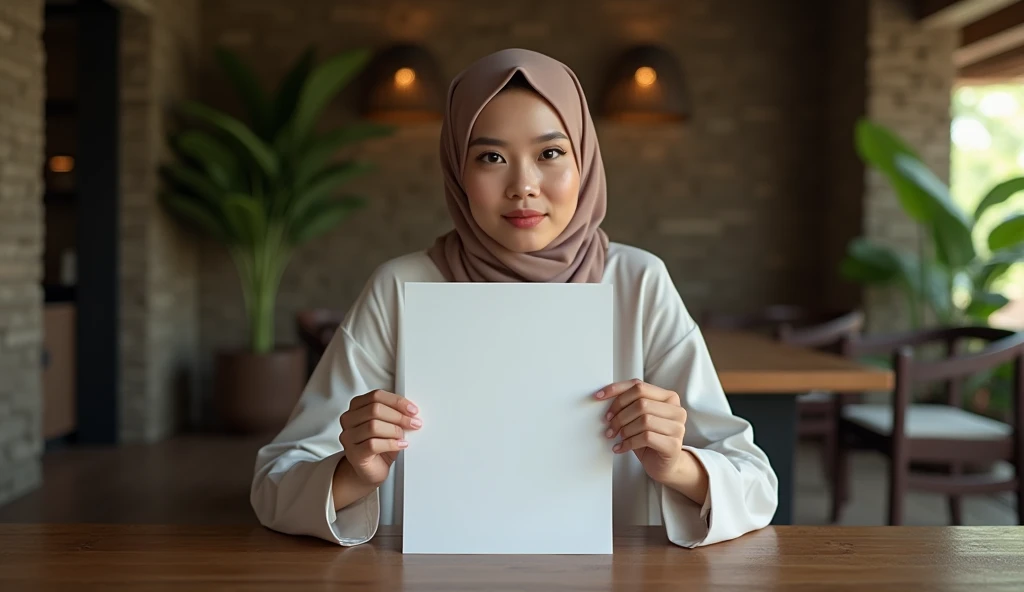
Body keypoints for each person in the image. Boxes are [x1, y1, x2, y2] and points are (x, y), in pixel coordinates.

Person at [250, 48, 778, 549]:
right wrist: (352, 472)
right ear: (458, 170)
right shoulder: (402, 288)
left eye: (550, 152)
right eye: (491, 157)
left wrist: (677, 465)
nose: (523, 185)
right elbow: (273, 487)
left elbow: (757, 487)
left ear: (584, 160)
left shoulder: (636, 282)